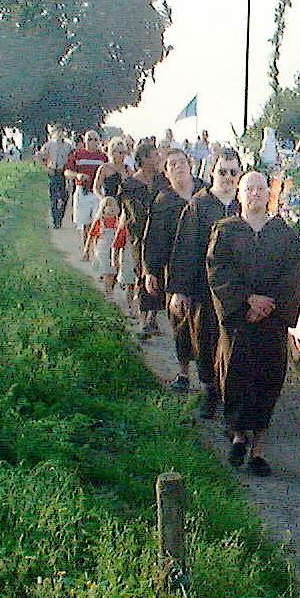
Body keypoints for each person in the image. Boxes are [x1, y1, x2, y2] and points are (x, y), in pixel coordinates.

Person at [207, 171, 300, 477]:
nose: (255, 193)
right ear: (239, 194)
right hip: (239, 320)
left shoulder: (285, 234)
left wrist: (268, 306)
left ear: (269, 194)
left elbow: (292, 276)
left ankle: (258, 450)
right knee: (236, 376)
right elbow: (218, 270)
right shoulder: (225, 231)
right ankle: (238, 435)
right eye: (249, 189)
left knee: (267, 380)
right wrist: (247, 300)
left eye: (260, 189)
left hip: (271, 322)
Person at [167, 150, 243, 416]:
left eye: (233, 172)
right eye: (222, 171)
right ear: (212, 172)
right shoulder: (199, 205)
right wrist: (179, 290)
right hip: (204, 289)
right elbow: (185, 248)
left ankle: (230, 395)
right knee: (206, 339)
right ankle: (209, 390)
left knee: (233, 344)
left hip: (235, 291)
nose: (227, 177)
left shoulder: (244, 205)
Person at [143, 150, 203, 392]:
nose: (179, 167)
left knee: (206, 324)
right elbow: (153, 237)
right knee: (180, 322)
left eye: (182, 162)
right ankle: (184, 373)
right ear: (166, 172)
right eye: (173, 164)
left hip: (206, 268)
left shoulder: (205, 194)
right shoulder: (163, 200)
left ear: (191, 165)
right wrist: (150, 270)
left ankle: (211, 380)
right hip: (175, 270)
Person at [122, 141, 164, 337]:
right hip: (139, 237)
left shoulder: (161, 182)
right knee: (141, 273)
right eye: (155, 155)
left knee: (158, 274)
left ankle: (153, 318)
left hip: (159, 236)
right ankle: (143, 318)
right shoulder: (130, 185)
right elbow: (131, 214)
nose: (159, 159)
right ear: (145, 158)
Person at [63, 130, 108, 238]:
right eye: (90, 139)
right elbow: (67, 172)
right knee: (85, 223)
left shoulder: (103, 157)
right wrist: (77, 175)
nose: (93, 142)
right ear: (85, 141)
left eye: (95, 139)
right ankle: (86, 245)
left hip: (98, 192)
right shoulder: (78, 155)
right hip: (83, 191)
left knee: (97, 222)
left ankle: (95, 245)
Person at [34, 126, 75, 229]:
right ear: (54, 133)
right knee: (53, 197)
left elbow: (73, 158)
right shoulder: (49, 145)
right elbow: (39, 156)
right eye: (57, 132)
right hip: (53, 172)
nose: (60, 134)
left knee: (64, 197)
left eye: (61, 131)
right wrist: (46, 167)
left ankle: (60, 217)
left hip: (63, 173)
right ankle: (55, 220)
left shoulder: (68, 146)